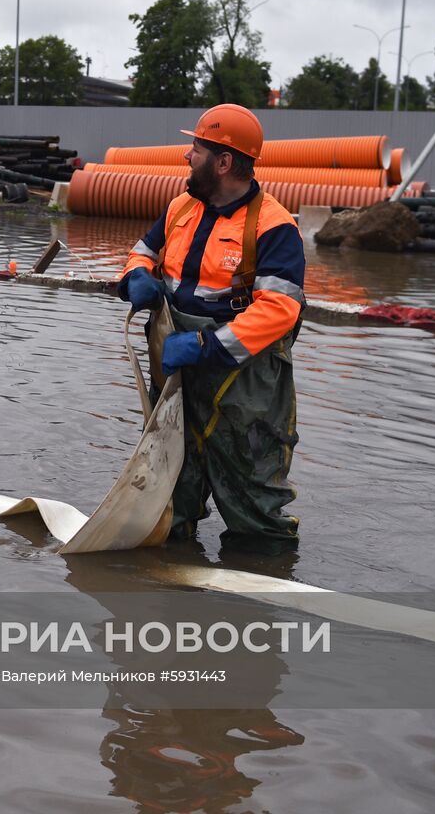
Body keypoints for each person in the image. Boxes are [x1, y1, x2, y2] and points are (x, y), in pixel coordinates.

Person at [115, 104, 305, 544]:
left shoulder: (273, 226)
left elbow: (279, 310)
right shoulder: (182, 207)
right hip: (178, 371)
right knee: (169, 486)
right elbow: (142, 251)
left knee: (254, 498)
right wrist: (136, 277)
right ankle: (171, 585)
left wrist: (207, 346)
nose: (187, 156)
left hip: (243, 382)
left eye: (196, 149)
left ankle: (257, 593)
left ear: (223, 162)